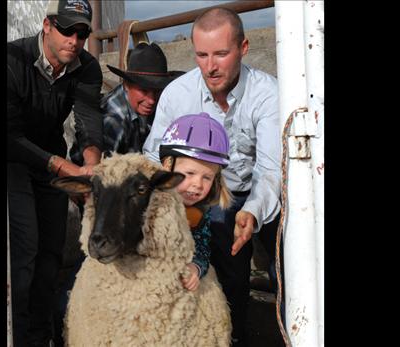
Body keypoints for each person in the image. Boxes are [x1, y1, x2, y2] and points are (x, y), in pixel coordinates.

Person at [142, 7, 281, 346]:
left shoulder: (268, 94)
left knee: (290, 271)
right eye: (201, 55)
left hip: (263, 193)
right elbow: (152, 155)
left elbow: (270, 169)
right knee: (228, 274)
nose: (210, 65)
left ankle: (291, 332)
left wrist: (253, 211)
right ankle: (233, 337)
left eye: (221, 53)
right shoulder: (177, 94)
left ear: (243, 48)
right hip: (207, 197)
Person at [7, 0, 103, 346]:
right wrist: (66, 167)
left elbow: (89, 123)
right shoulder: (12, 60)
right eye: (67, 29)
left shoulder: (86, 68)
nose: (74, 40)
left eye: (82, 33)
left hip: (50, 160)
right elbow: (10, 136)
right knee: (25, 251)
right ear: (47, 25)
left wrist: (91, 167)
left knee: (51, 253)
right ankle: (16, 336)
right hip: (14, 160)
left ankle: (42, 335)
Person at [159, 113, 233, 291]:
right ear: (168, 165)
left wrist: (196, 267)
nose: (198, 184)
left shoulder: (199, 212)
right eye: (190, 173)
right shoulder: (148, 201)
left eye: (207, 177)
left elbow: (201, 245)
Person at [102, 42, 183, 156]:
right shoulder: (114, 119)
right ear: (126, 85)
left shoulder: (164, 105)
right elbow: (101, 169)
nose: (151, 100)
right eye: (144, 91)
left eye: (157, 91)